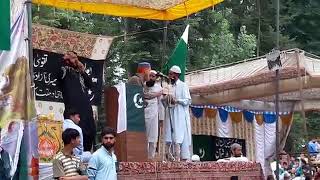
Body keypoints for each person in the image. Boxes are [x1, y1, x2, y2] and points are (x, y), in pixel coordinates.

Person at [58, 51, 96, 151]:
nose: (75, 60)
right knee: (75, 133)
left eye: (75, 58)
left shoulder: (80, 72)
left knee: (90, 131)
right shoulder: (64, 70)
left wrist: (83, 71)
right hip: (73, 109)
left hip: (86, 108)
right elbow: (57, 71)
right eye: (72, 57)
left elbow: (90, 84)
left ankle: (86, 153)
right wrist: (64, 59)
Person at [163, 65, 192, 161]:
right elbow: (163, 102)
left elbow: (188, 100)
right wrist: (165, 99)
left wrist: (177, 100)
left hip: (179, 113)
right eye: (169, 74)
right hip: (169, 111)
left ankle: (178, 157)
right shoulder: (168, 86)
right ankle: (168, 156)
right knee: (168, 133)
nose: (169, 76)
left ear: (176, 75)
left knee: (178, 133)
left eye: (171, 74)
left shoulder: (183, 85)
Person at [144, 70, 163, 160]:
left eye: (153, 76)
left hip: (154, 114)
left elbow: (160, 104)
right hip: (143, 114)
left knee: (153, 137)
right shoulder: (143, 86)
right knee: (144, 138)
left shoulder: (159, 88)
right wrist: (155, 94)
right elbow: (144, 95)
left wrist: (161, 118)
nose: (151, 78)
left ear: (156, 78)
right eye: (150, 76)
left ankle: (151, 158)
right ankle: (143, 157)